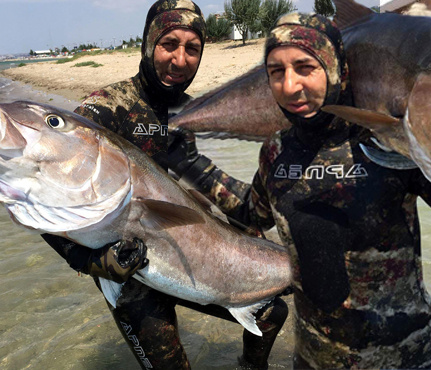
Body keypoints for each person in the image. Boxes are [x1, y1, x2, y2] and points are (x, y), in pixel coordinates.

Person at [171, 13, 431, 368]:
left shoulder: (387, 144)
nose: (290, 86)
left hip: (409, 362)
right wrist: (190, 164)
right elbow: (253, 213)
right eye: (276, 72)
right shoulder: (277, 151)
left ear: (336, 69)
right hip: (314, 361)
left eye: (305, 67)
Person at [41, 1, 288, 369]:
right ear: (148, 42)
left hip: (178, 250)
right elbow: (43, 194)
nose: (180, 59)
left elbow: (195, 184)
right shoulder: (102, 111)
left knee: (271, 313)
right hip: (126, 269)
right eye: (169, 43)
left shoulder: (184, 112)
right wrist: (89, 260)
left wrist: (255, 225)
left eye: (193, 48)